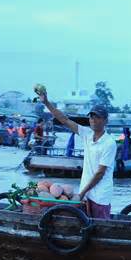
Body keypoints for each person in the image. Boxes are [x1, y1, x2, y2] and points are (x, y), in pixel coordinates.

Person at [37, 88, 117, 219]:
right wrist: (46, 102)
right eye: (91, 116)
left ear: (105, 121)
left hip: (100, 195)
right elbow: (64, 120)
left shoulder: (109, 143)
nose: (93, 119)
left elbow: (100, 173)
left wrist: (81, 193)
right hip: (86, 194)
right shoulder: (87, 134)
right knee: (86, 228)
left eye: (97, 117)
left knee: (101, 227)